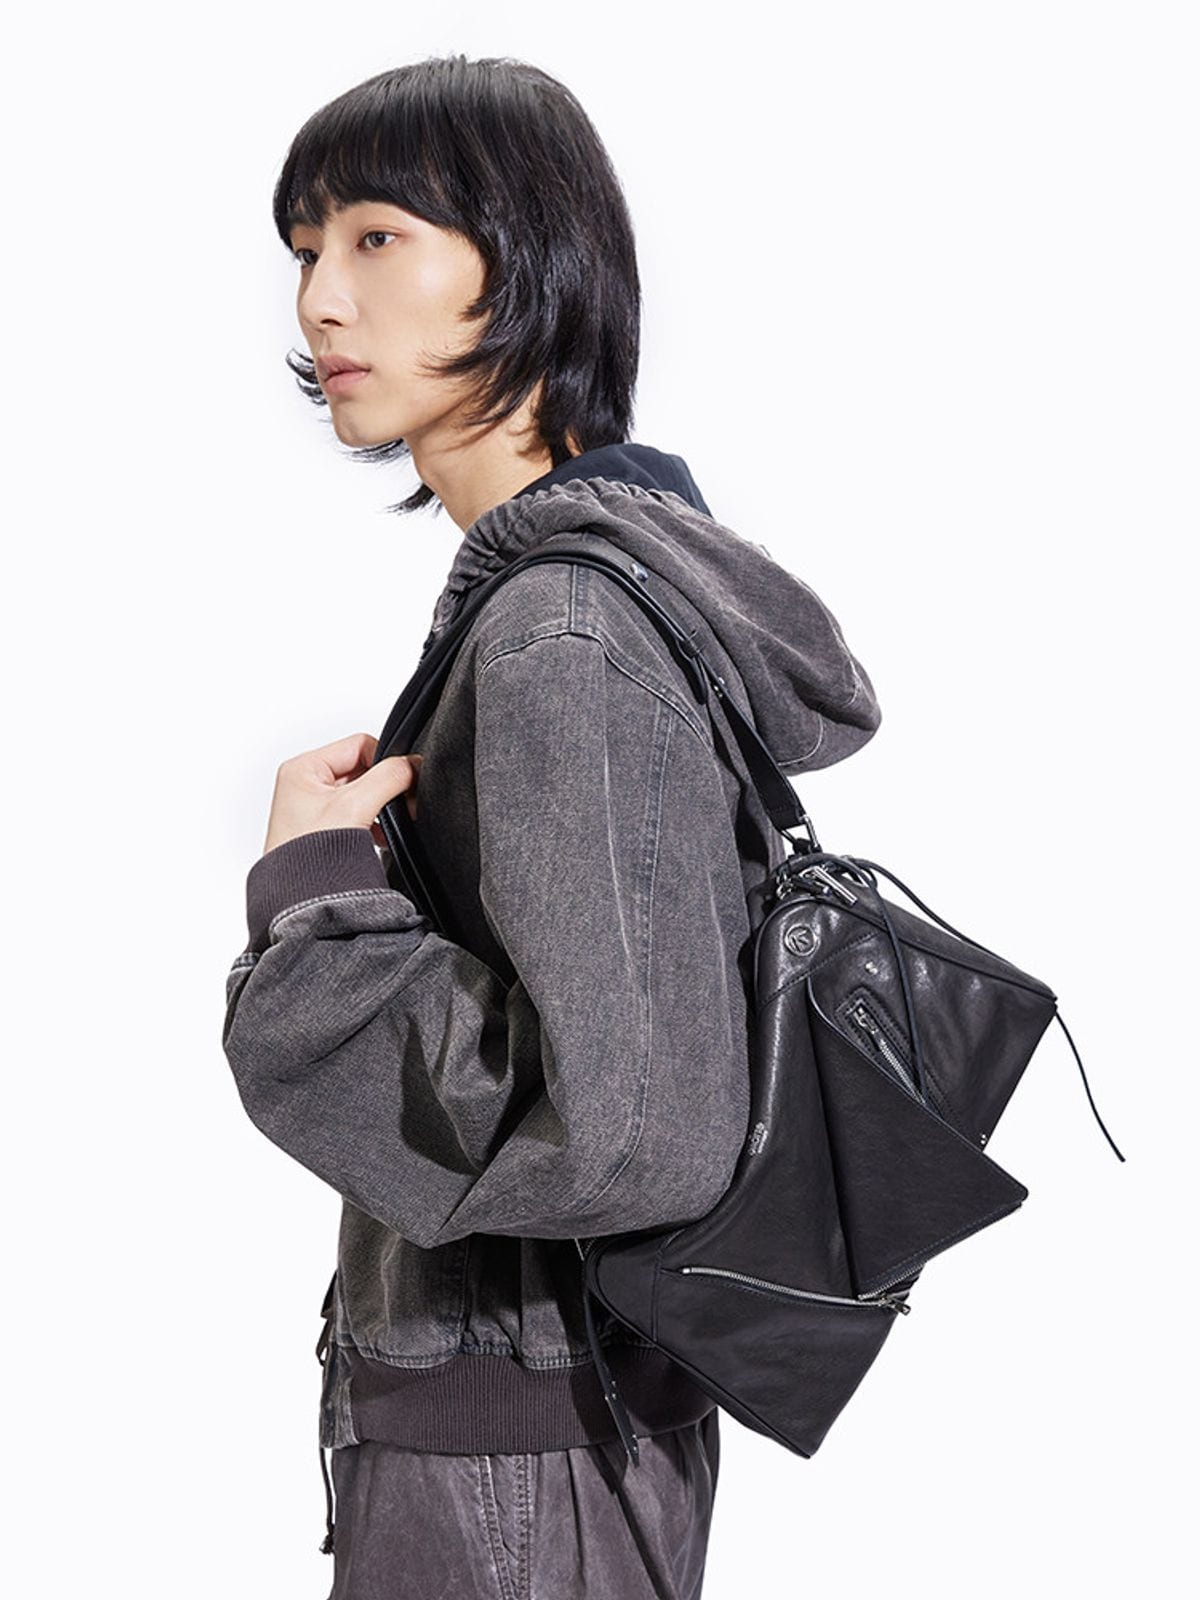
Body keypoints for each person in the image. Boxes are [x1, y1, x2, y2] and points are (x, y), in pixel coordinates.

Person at [222, 53, 881, 1600]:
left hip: (513, 1467)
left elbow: (628, 1132)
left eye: (376, 237)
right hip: (539, 1438)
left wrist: (316, 901)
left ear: (524, 260)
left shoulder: (559, 638)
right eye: (306, 250)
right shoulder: (577, 608)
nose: (320, 301)